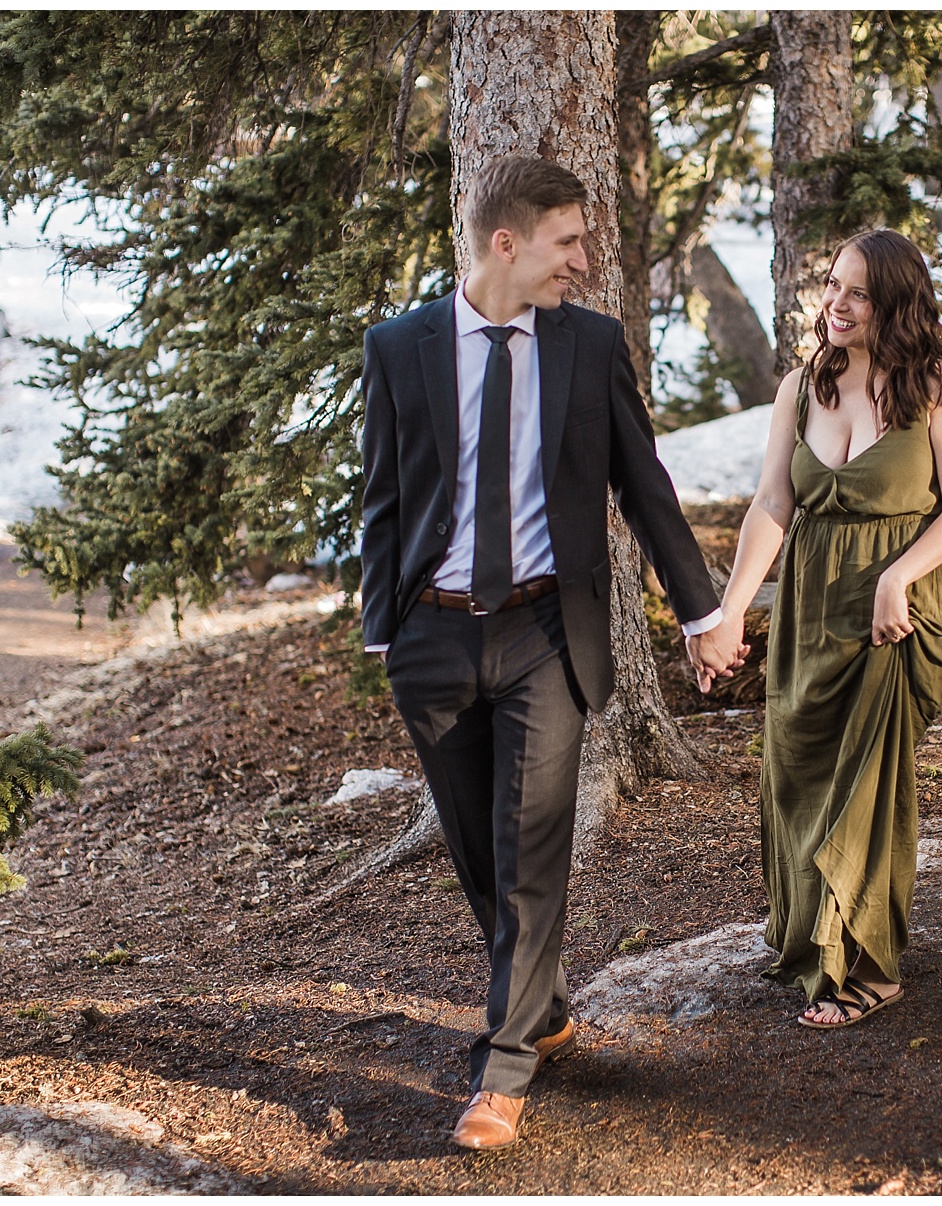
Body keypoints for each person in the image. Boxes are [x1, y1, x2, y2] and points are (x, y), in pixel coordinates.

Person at [358, 156, 741, 1148]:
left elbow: (645, 488)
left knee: (531, 849)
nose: (583, 260)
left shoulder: (589, 346)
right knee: (478, 852)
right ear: (507, 243)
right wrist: (383, 629)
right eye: (569, 242)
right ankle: (545, 1007)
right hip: (434, 635)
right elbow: (385, 498)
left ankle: (506, 1068)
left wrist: (700, 614)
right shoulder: (399, 348)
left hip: (544, 631)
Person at [702, 229, 942, 1028]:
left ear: (894, 302)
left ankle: (866, 965)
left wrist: (899, 576)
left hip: (896, 612)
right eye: (832, 285)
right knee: (795, 775)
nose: (836, 302)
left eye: (857, 291)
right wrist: (729, 611)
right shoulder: (803, 386)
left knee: (865, 786)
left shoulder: (936, 386)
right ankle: (807, 944)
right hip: (808, 611)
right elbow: (772, 507)